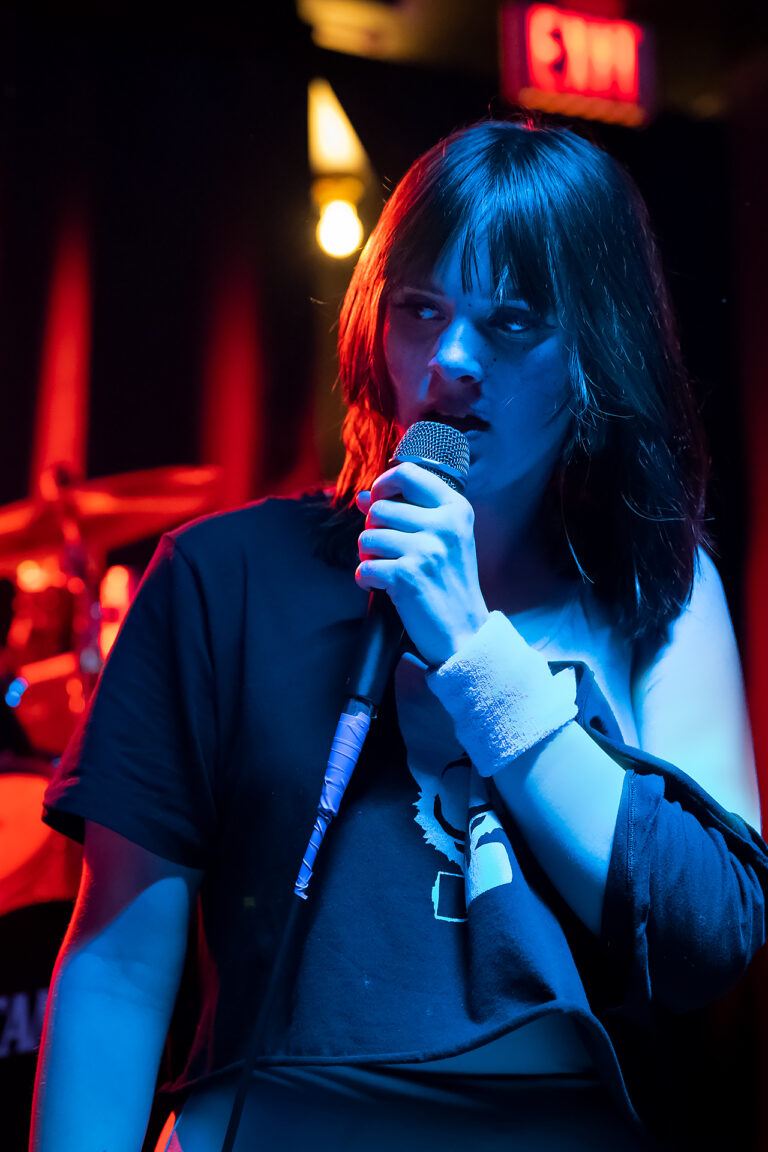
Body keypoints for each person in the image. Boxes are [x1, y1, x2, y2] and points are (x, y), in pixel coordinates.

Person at [29, 116, 767, 1152]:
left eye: (512, 324)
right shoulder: (223, 579)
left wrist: (473, 648)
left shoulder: (659, 590)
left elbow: (706, 937)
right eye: (421, 309)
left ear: (600, 347)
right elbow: (114, 968)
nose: (452, 359)